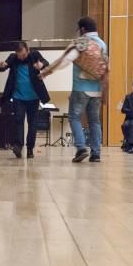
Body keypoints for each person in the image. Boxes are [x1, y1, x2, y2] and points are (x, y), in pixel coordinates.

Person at [41, 16, 108, 162]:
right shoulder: (102, 44)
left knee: (74, 117)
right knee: (95, 121)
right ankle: (96, 153)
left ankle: (81, 148)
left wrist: (46, 72)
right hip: (97, 90)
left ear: (82, 29)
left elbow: (65, 60)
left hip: (81, 88)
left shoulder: (82, 41)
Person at [0, 41, 50, 159]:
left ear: (28, 50)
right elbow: (2, 67)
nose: (21, 58)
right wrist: (1, 65)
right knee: (18, 120)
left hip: (34, 97)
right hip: (18, 97)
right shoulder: (13, 57)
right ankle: (18, 146)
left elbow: (46, 62)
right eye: (19, 56)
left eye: (24, 55)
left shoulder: (35, 55)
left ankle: (30, 148)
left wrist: (41, 65)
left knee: (33, 124)